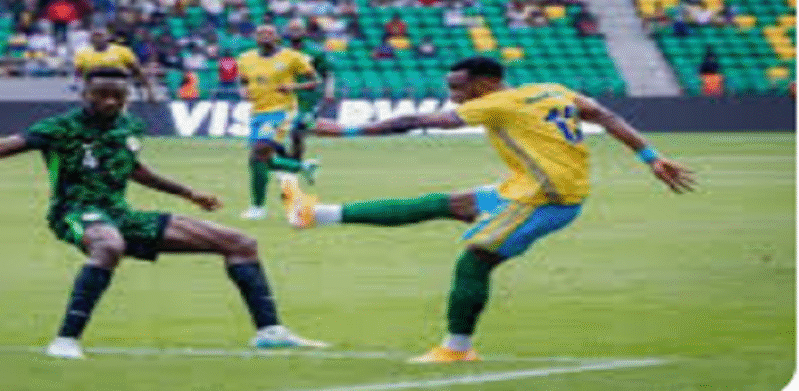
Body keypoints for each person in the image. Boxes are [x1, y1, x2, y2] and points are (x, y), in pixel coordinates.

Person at [0, 68, 327, 360]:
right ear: (86, 93)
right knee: (109, 245)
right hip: (75, 212)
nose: (110, 103)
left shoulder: (129, 125)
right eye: (102, 96)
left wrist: (188, 193)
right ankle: (65, 341)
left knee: (240, 243)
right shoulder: (60, 127)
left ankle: (268, 331)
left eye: (117, 97)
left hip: (118, 211)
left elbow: (133, 169)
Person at [283, 56, 696, 363]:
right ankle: (314, 213)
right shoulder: (551, 89)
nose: (453, 94)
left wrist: (348, 129)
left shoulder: (497, 103)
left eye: (459, 87)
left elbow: (417, 120)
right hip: (529, 187)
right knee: (442, 204)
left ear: (486, 83)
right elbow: (603, 114)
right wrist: (651, 157)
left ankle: (457, 348)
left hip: (545, 198)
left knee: (475, 261)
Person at [236, 25, 321, 220]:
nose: (265, 36)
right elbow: (243, 81)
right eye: (260, 33)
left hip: (282, 112)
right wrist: (243, 90)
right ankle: (303, 167)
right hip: (257, 112)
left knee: (259, 152)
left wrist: (293, 85)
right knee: (258, 159)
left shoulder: (292, 57)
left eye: (269, 33)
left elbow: (315, 81)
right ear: (255, 38)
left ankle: (258, 209)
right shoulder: (245, 58)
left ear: (277, 38)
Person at [286, 30, 334, 162]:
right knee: (288, 131)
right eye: (292, 28)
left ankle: (296, 161)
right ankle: (296, 162)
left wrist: (329, 91)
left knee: (298, 128)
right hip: (287, 97)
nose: (294, 32)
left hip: (309, 98)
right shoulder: (282, 52)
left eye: (297, 28)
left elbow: (327, 73)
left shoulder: (315, 51)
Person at [74, 30, 156, 101]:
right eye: (95, 36)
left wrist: (149, 90)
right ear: (90, 38)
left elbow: (137, 70)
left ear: (107, 37)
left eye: (100, 35)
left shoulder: (122, 51)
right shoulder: (82, 53)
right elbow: (78, 74)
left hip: (119, 84)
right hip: (94, 86)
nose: (98, 38)